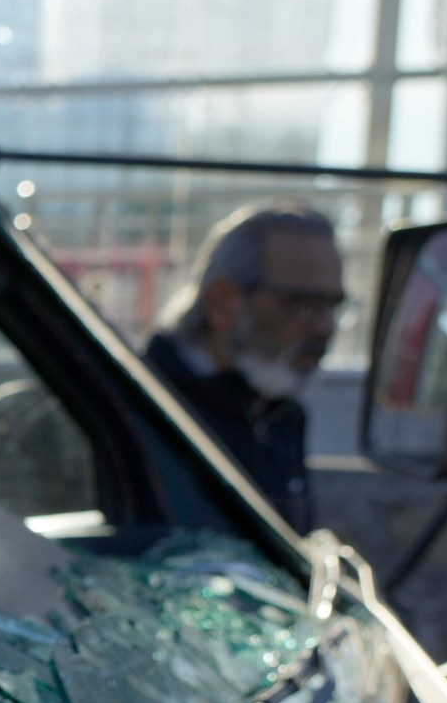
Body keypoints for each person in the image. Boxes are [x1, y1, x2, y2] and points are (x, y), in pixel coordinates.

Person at [147, 202, 346, 532]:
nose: (325, 326)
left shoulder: (281, 414)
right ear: (222, 302)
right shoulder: (142, 405)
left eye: (333, 306)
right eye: (302, 304)